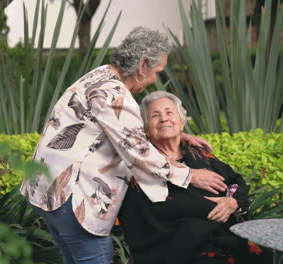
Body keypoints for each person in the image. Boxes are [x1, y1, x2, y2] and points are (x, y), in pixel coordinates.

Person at [20, 27, 227, 264]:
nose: (155, 80)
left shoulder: (98, 76)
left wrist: (177, 138)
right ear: (143, 65)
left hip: (45, 189)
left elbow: (113, 133)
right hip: (71, 198)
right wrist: (190, 175)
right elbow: (139, 153)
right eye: (157, 72)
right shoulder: (115, 94)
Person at [118, 91, 271, 264]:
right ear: (146, 128)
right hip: (175, 246)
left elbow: (236, 182)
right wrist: (208, 208)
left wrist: (232, 202)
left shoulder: (201, 154)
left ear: (181, 123)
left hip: (221, 236)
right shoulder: (143, 163)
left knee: (262, 254)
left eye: (169, 112)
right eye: (155, 115)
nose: (163, 118)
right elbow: (153, 211)